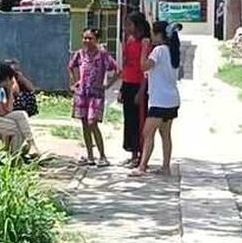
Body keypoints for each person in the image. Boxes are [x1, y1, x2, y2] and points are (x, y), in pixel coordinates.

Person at [68, 28, 120, 167]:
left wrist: (108, 85)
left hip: (96, 95)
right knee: (84, 123)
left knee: (93, 123)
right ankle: (90, 156)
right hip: (82, 94)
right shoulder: (80, 54)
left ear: (97, 40)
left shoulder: (102, 55)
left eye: (90, 38)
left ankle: (102, 156)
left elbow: (117, 70)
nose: (86, 41)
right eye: (84, 38)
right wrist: (76, 82)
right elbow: (71, 66)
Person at [136, 20, 181, 176]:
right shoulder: (173, 51)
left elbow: (144, 66)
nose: (151, 37)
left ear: (159, 34)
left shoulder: (159, 50)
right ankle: (165, 166)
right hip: (172, 99)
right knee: (165, 134)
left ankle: (142, 166)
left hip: (160, 101)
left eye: (152, 34)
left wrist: (144, 49)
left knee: (147, 133)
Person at [120, 12, 152, 165]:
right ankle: (132, 153)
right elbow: (126, 64)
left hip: (139, 85)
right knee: (129, 120)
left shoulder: (145, 43)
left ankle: (141, 154)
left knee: (139, 121)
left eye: (129, 25)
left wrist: (141, 91)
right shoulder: (129, 41)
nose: (126, 28)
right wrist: (122, 87)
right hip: (128, 83)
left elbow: (146, 71)